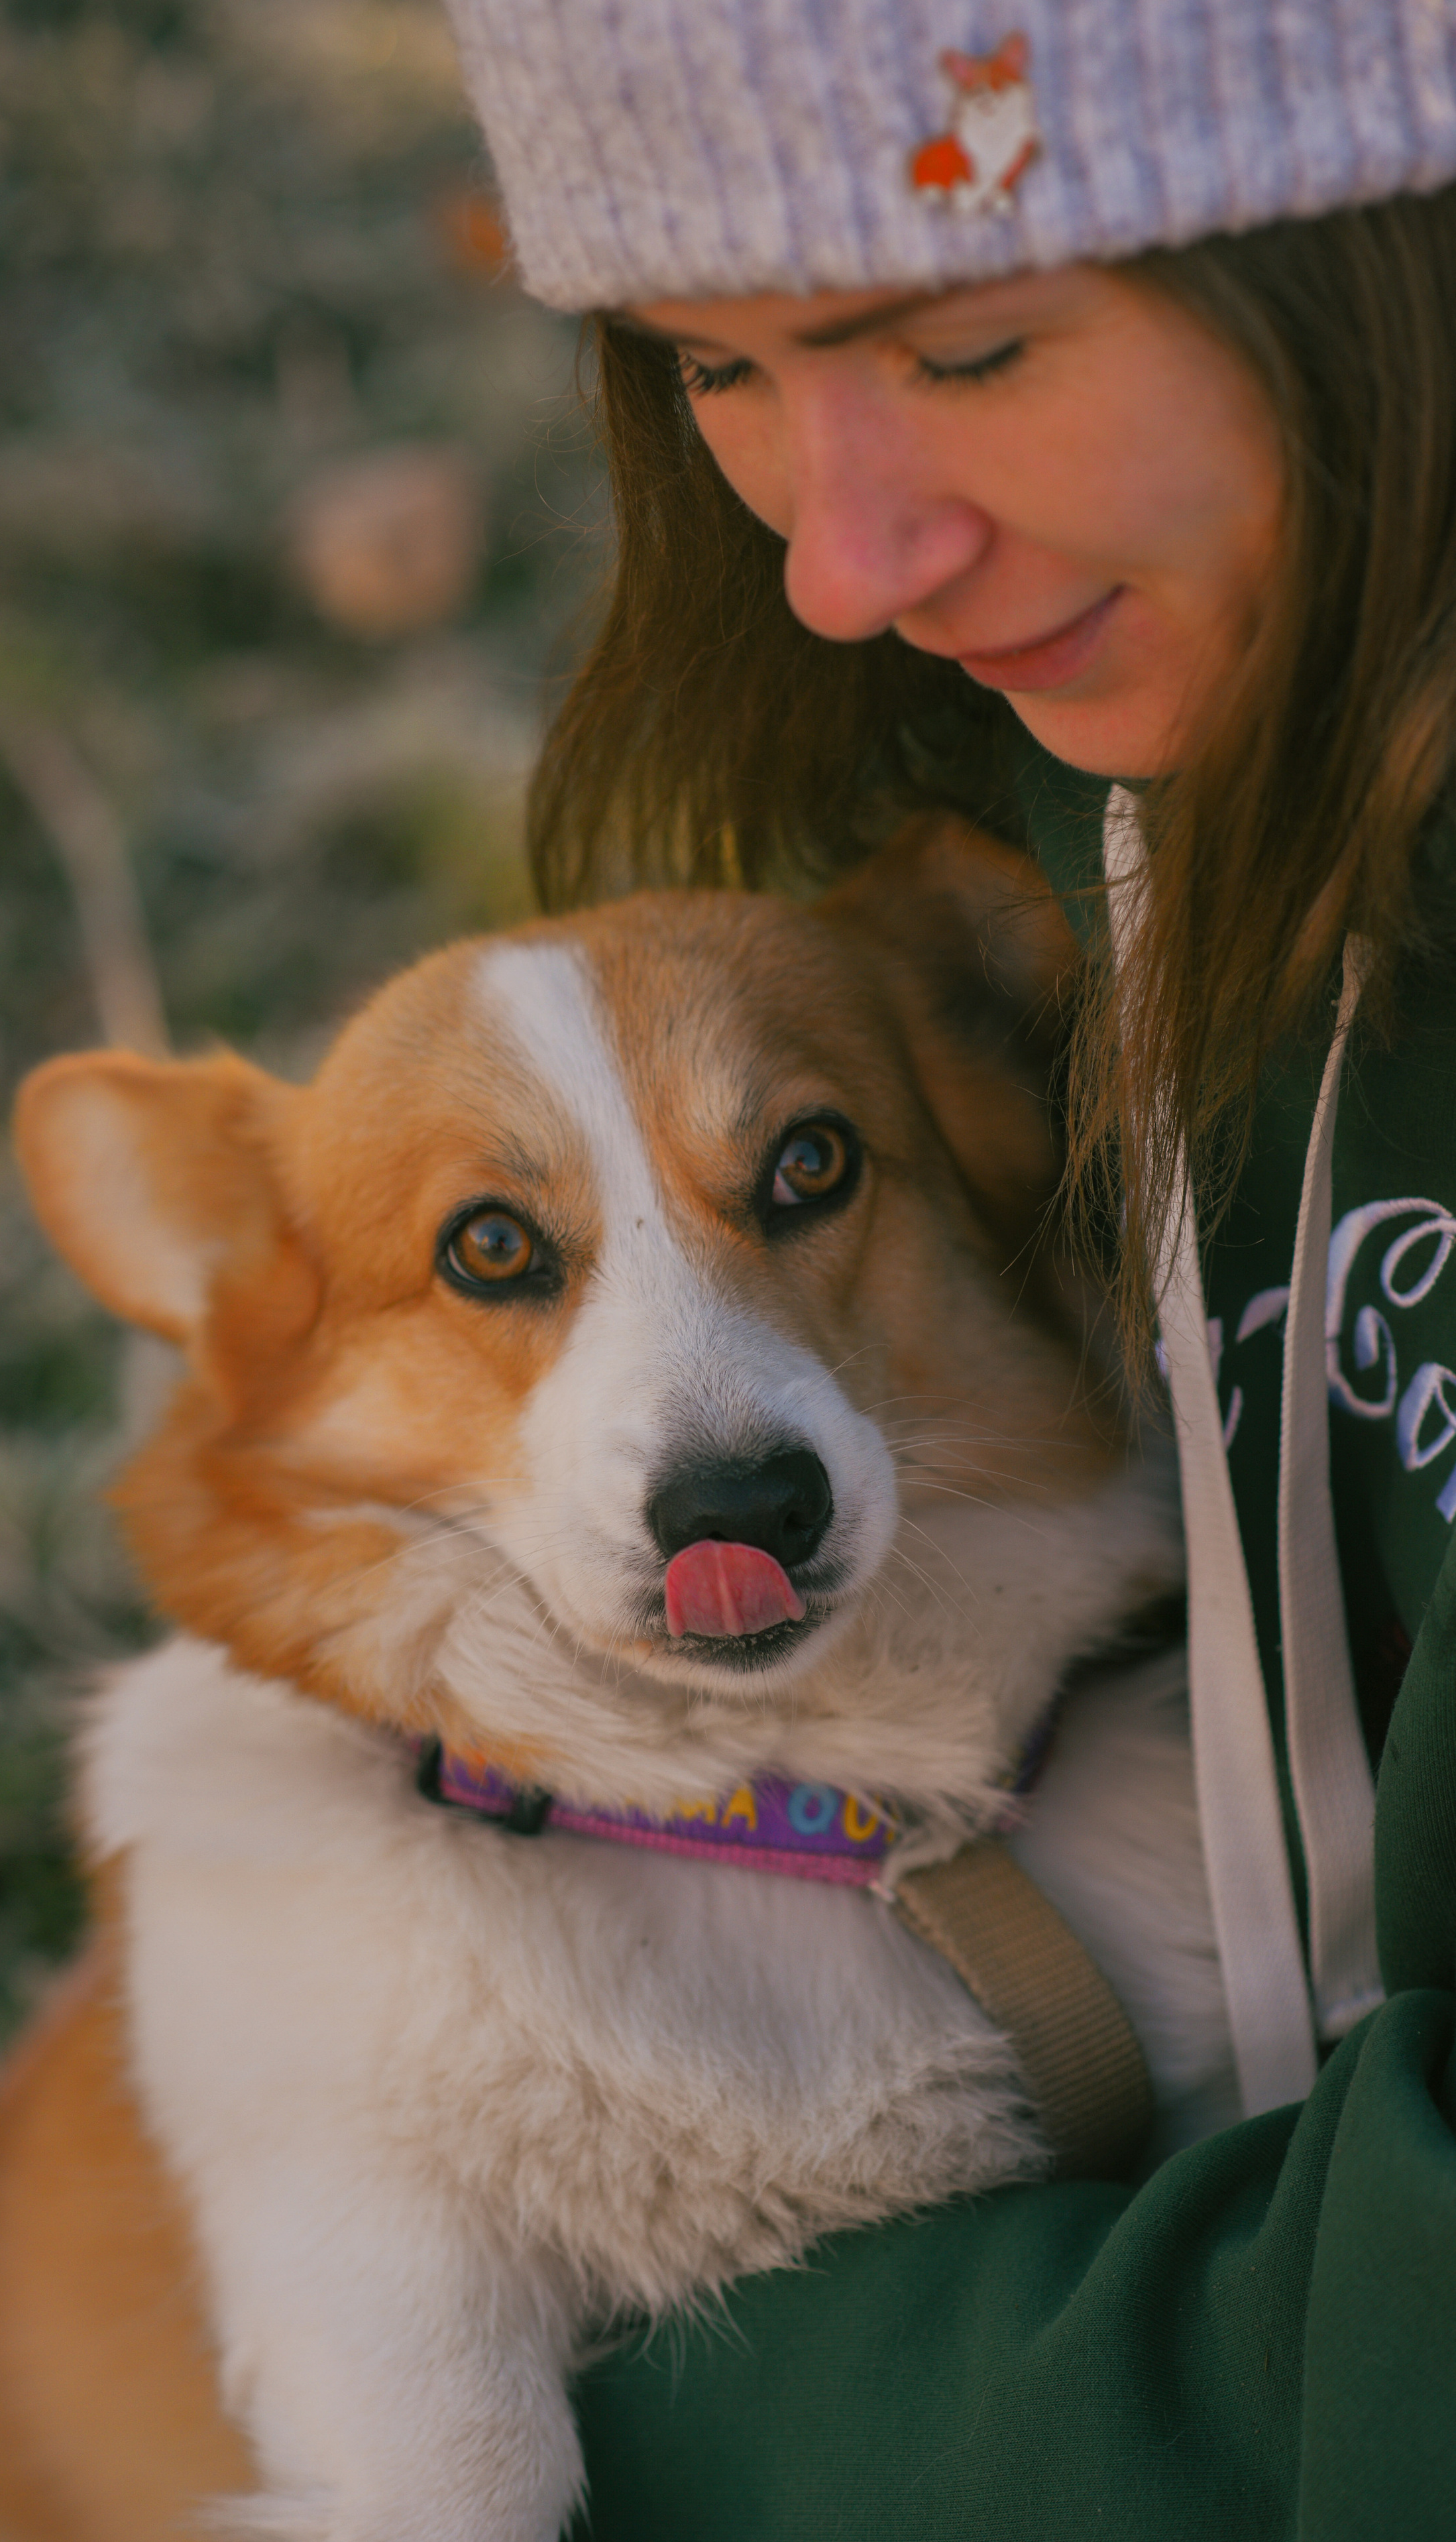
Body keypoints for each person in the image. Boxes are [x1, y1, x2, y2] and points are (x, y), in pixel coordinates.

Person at [437, 3, 1456, 2534]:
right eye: (709, 361)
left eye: (972, 342)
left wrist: (635, 2389)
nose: (840, 555)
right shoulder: (1040, 773)